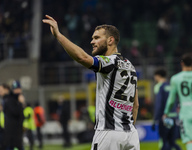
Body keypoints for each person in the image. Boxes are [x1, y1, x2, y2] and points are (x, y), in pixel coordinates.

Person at [43, 15, 140, 150]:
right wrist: (128, 129)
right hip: (131, 135)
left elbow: (82, 57)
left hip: (108, 134)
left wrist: (59, 36)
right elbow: (135, 105)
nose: (92, 42)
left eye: (96, 38)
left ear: (110, 40)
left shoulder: (109, 62)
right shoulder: (130, 66)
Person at [164, 53, 192, 150]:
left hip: (186, 113)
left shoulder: (176, 78)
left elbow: (171, 100)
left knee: (190, 141)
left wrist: (166, 113)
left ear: (182, 63)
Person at [152, 68, 181, 150]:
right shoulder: (171, 86)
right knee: (172, 142)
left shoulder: (158, 87)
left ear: (157, 76)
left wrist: (155, 119)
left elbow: (159, 104)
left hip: (164, 118)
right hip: (173, 117)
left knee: (164, 141)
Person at [0, 83, 24, 150]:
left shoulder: (9, 99)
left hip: (11, 130)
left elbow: (16, 113)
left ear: (6, 89)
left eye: (1, 89)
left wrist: (21, 104)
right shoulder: (5, 100)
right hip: (6, 128)